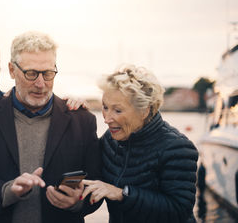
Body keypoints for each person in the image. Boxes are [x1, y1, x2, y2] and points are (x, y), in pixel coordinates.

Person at [0, 31, 102, 223]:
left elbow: (97, 183)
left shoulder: (82, 120)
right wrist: (5, 191)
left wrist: (77, 202)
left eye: (47, 73)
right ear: (12, 70)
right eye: (31, 74)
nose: (40, 83)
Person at [81, 65, 198, 223]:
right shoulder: (110, 139)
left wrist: (122, 194)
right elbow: (88, 169)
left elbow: (179, 210)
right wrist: (73, 112)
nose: (107, 119)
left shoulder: (177, 147)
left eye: (117, 110)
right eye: (105, 107)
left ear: (144, 111)